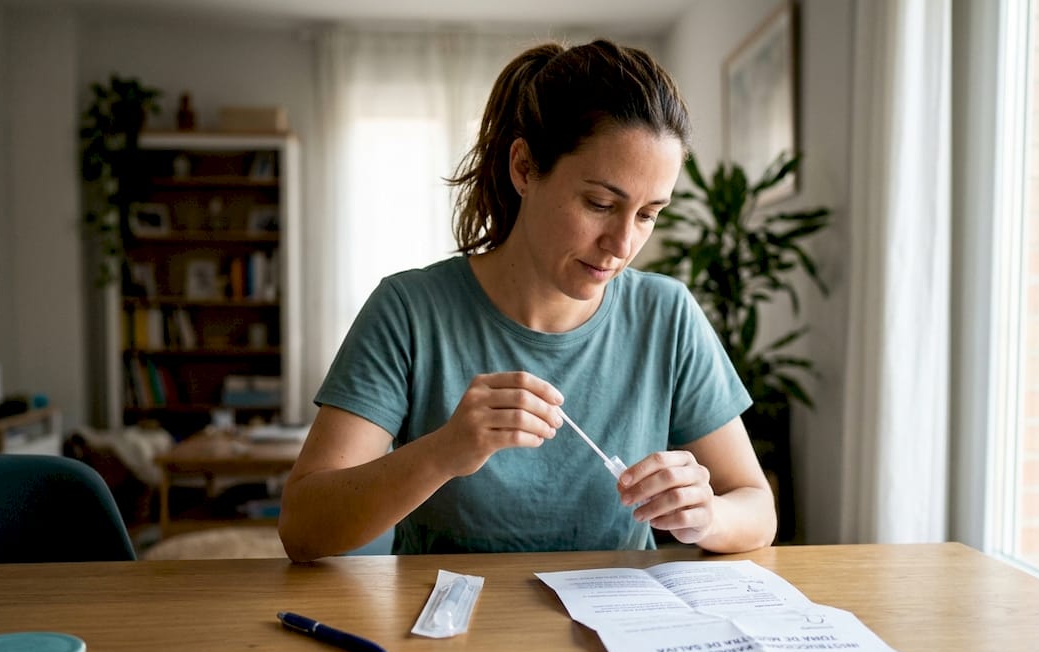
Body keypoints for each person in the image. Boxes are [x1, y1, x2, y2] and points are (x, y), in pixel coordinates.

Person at [279, 39, 776, 559]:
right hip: (450, 612)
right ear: (523, 167)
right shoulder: (409, 310)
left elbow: (757, 508)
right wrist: (443, 452)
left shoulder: (666, 314)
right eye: (600, 203)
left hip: (617, 612)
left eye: (649, 214)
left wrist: (708, 514)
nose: (623, 244)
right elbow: (303, 527)